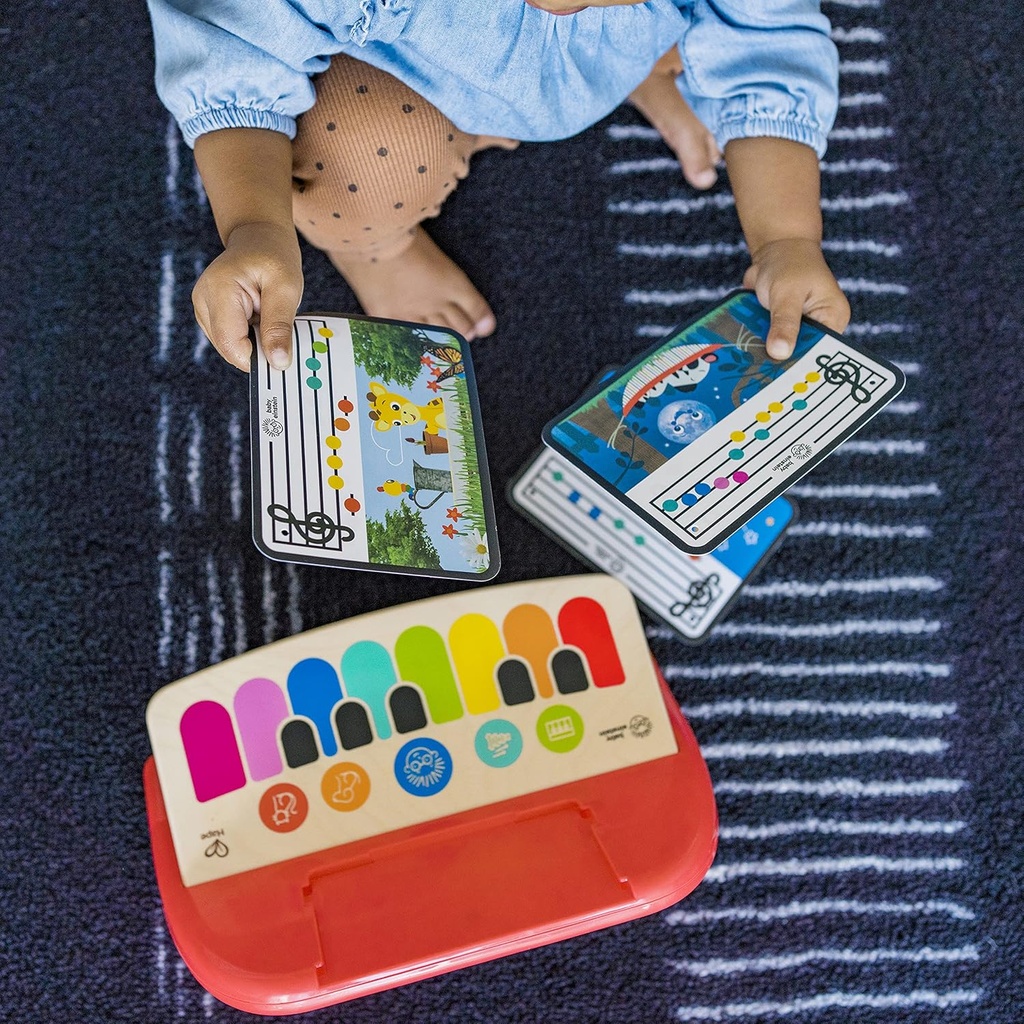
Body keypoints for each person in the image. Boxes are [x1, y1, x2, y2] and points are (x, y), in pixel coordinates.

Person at [147, 0, 851, 371]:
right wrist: (256, 227)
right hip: (398, 73)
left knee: (711, 31)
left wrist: (787, 238)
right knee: (356, 168)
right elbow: (233, 48)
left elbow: (770, 47)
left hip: (592, 58)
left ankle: (638, 63)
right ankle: (378, 250)